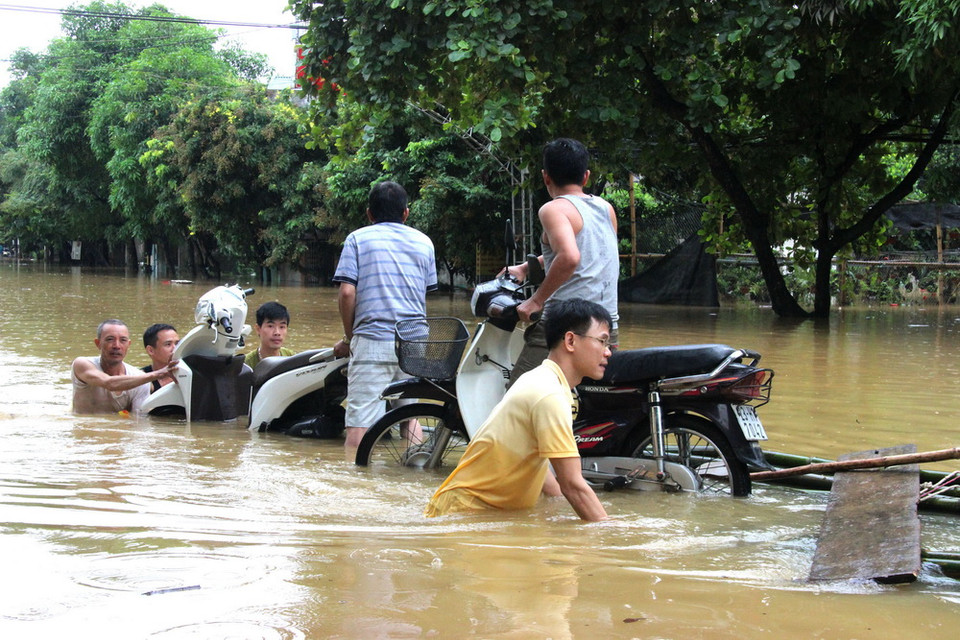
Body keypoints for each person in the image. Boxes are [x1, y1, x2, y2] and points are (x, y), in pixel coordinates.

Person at [425, 298, 610, 522]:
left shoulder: (546, 382)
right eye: (602, 341)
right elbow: (573, 485)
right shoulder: (549, 393)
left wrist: (556, 508)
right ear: (570, 340)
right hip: (465, 516)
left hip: (473, 513)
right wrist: (609, 534)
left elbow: (539, 463)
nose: (608, 352)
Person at [332, 180, 438, 450]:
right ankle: (414, 468)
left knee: (359, 423)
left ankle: (356, 486)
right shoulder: (424, 243)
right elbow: (422, 294)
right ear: (406, 213)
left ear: (369, 214)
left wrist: (349, 338)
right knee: (409, 414)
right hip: (414, 340)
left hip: (372, 340)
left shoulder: (357, 239)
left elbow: (346, 293)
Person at [507, 137, 620, 382]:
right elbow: (589, 250)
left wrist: (535, 301)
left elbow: (569, 256)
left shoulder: (553, 209)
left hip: (565, 326)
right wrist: (527, 267)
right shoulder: (605, 208)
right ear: (586, 176)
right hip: (605, 326)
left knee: (518, 396)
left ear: (546, 177)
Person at [72, 319, 177, 414]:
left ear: (128, 344)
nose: (117, 346)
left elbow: (139, 422)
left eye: (123, 340)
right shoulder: (82, 364)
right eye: (110, 339)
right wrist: (159, 374)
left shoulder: (140, 380)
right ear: (98, 343)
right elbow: (109, 383)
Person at [244, 301, 296, 369]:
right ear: (258, 329)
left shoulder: (291, 358)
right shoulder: (246, 365)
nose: (277, 332)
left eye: (282, 327)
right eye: (270, 326)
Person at [142, 323, 179, 392]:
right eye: (168, 344)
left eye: (177, 343)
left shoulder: (189, 373)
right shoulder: (141, 378)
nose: (175, 348)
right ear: (151, 350)